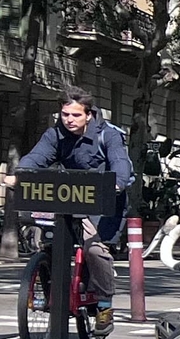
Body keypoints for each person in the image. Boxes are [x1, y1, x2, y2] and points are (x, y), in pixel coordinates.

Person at [15, 87, 133, 311]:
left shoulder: (107, 134)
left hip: (103, 203)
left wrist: (117, 183)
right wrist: (21, 175)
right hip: (67, 198)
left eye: (76, 115)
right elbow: (37, 157)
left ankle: (104, 305)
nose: (69, 120)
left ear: (88, 115)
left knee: (94, 250)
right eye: (65, 114)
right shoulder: (54, 135)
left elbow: (120, 162)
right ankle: (50, 290)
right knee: (48, 240)